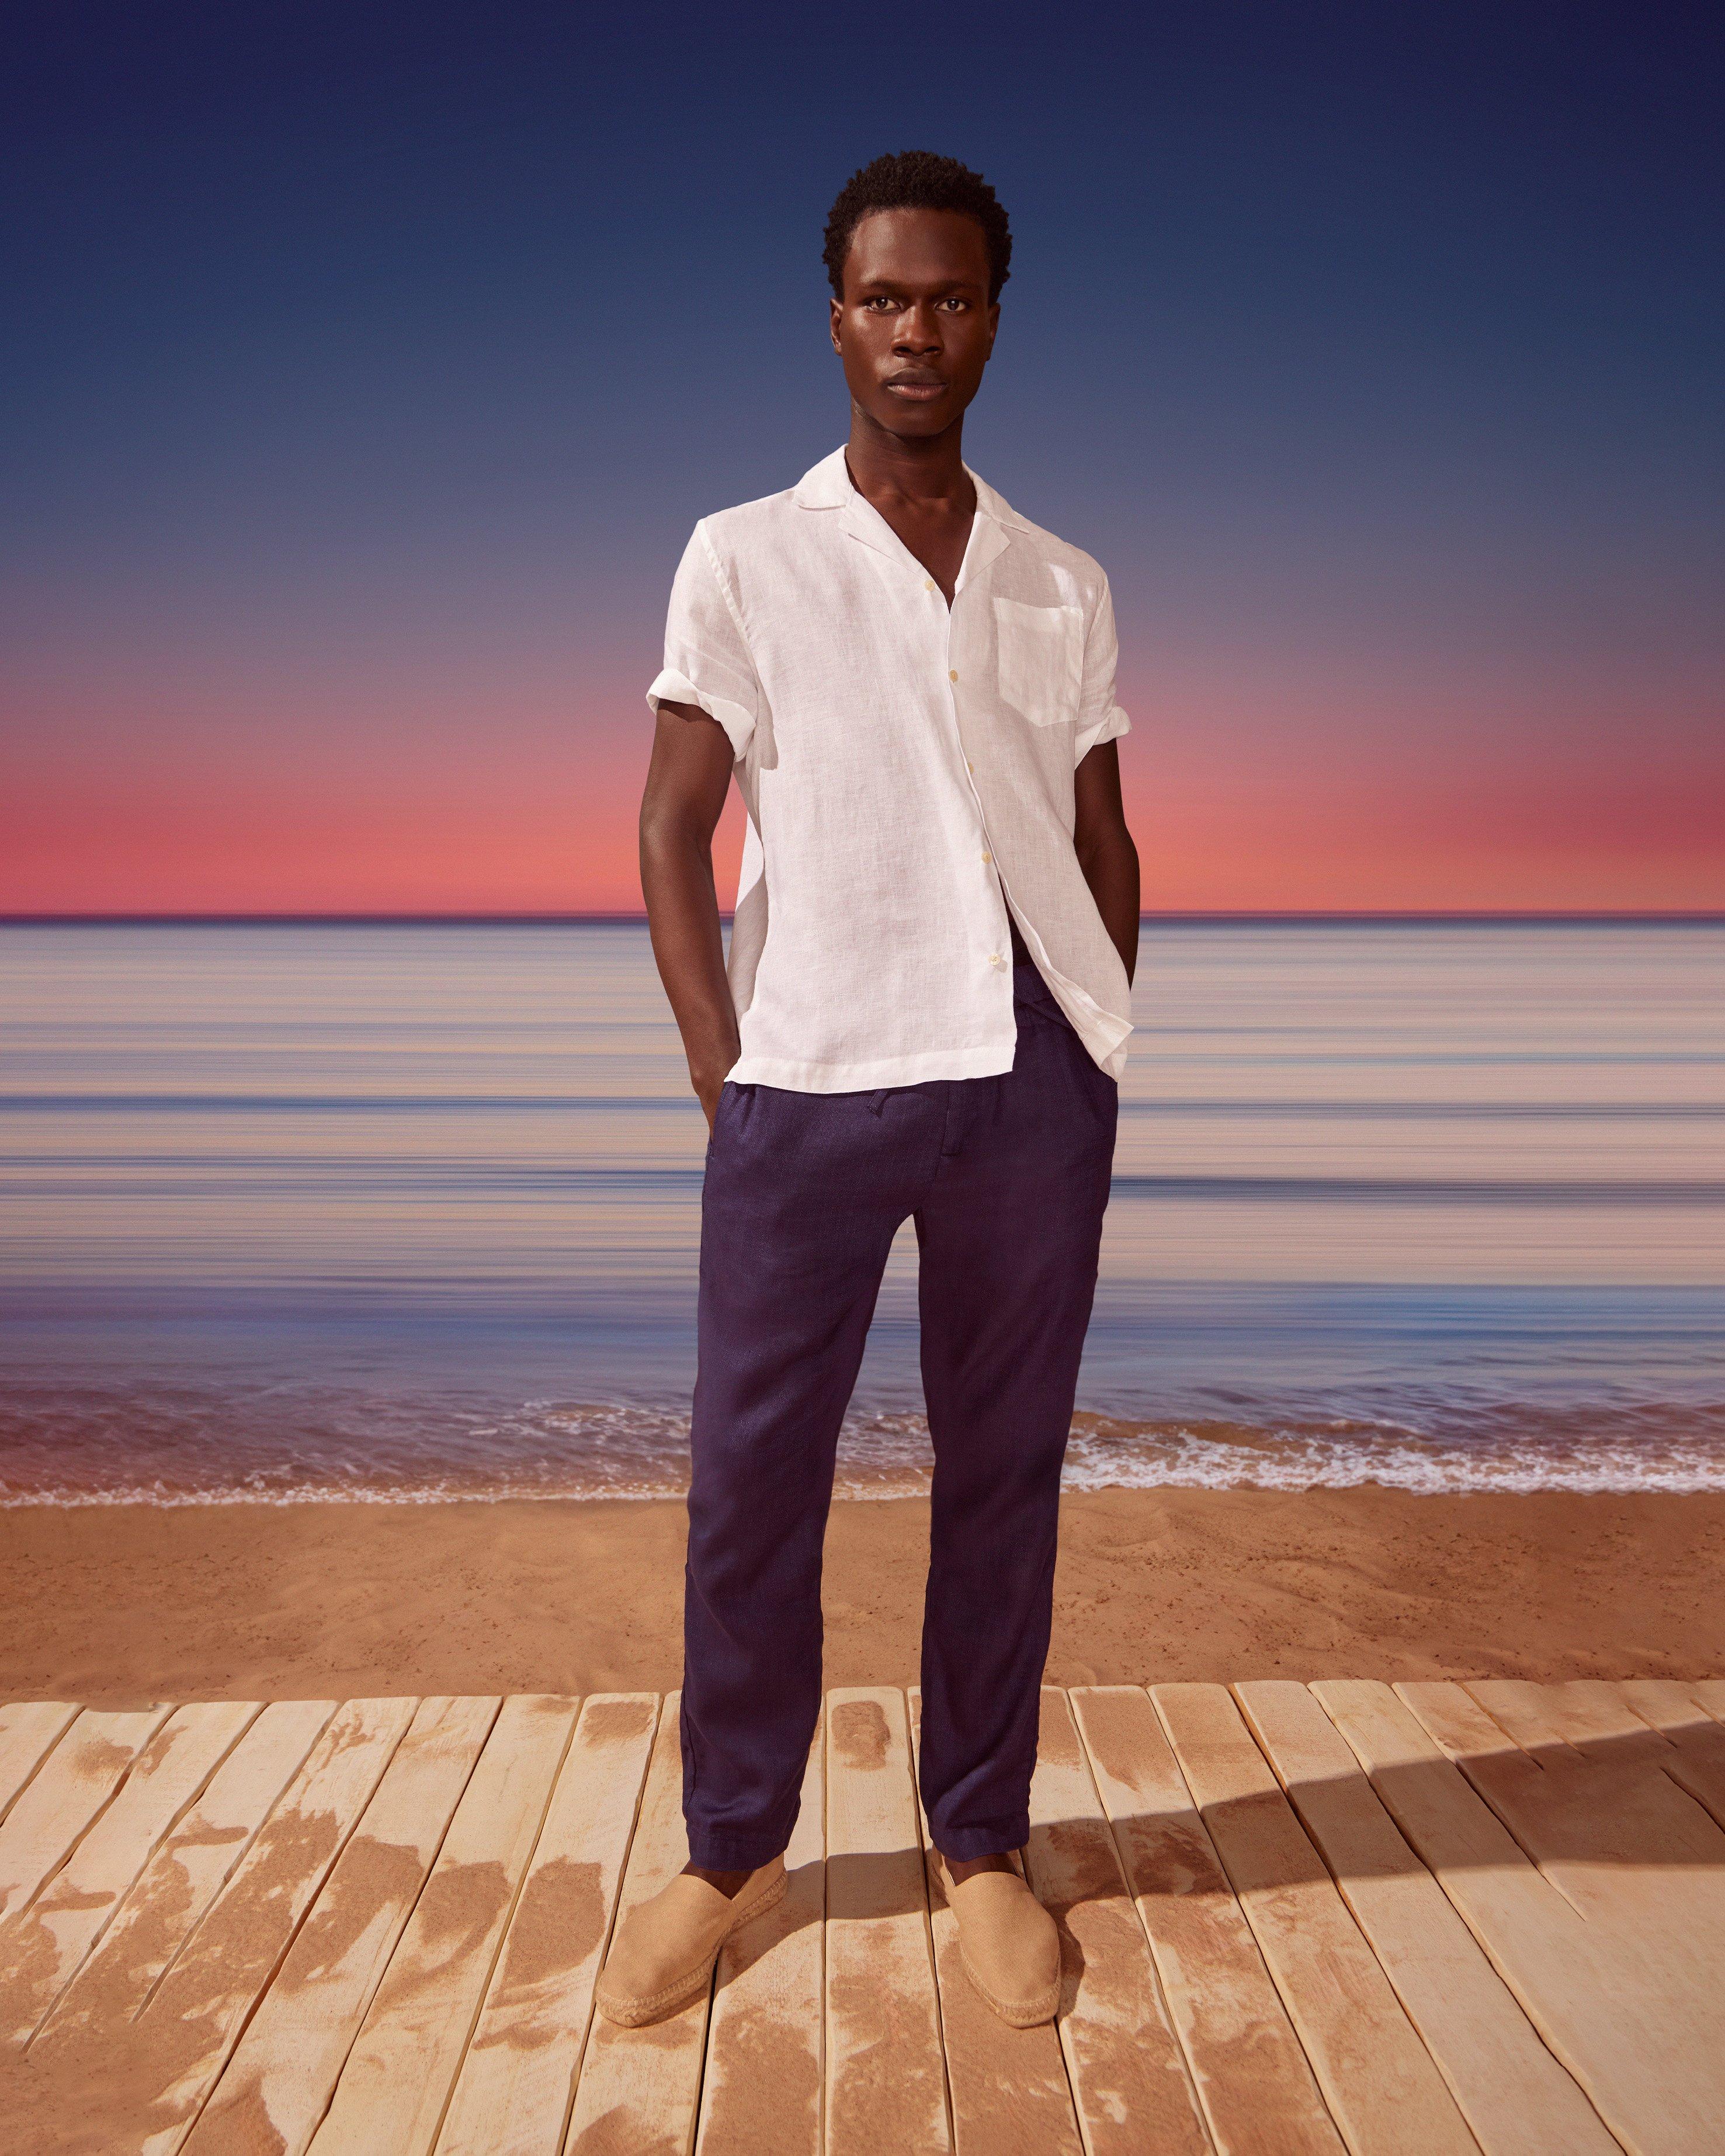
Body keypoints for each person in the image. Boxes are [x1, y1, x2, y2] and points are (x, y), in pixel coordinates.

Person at [598, 149, 1139, 2031]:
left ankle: (977, 1838)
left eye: (955, 297)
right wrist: (715, 1060)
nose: (920, 328)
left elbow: (1099, 833)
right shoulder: (742, 549)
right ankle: (727, 1844)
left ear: (995, 318)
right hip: (808, 1077)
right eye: (886, 297)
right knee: (753, 1484)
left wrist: (1098, 1039)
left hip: (1028, 1085)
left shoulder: (1059, 577)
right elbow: (674, 827)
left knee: (1003, 1480)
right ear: (835, 315)